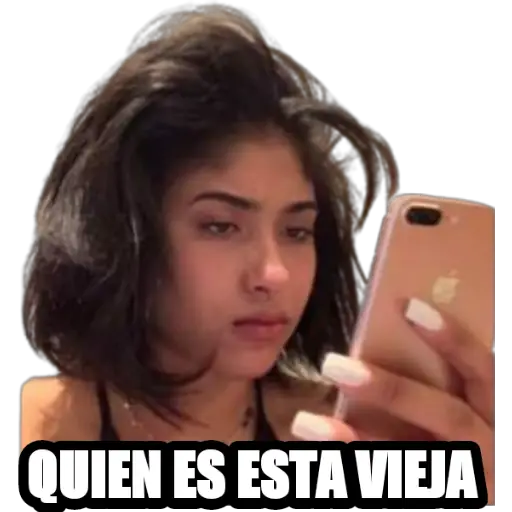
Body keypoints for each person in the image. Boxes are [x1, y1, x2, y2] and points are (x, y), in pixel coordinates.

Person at [19, 5, 494, 501]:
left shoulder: (347, 442)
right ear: (123, 238)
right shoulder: (40, 432)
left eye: (297, 231)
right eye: (221, 226)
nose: (275, 273)